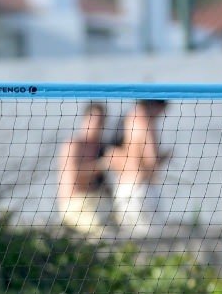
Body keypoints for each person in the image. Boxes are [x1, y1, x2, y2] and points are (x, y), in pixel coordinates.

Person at [108, 99, 170, 236]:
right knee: (152, 239)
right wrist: (166, 156)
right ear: (155, 105)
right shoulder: (146, 121)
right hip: (142, 189)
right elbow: (152, 159)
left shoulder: (127, 119)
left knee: (128, 241)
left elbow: (109, 155)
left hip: (122, 187)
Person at [56, 102, 112, 235]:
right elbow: (74, 175)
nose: (98, 125)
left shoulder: (102, 147)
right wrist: (102, 165)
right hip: (76, 205)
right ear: (85, 118)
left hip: (100, 202)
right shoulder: (73, 145)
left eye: (101, 121)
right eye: (95, 120)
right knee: (102, 231)